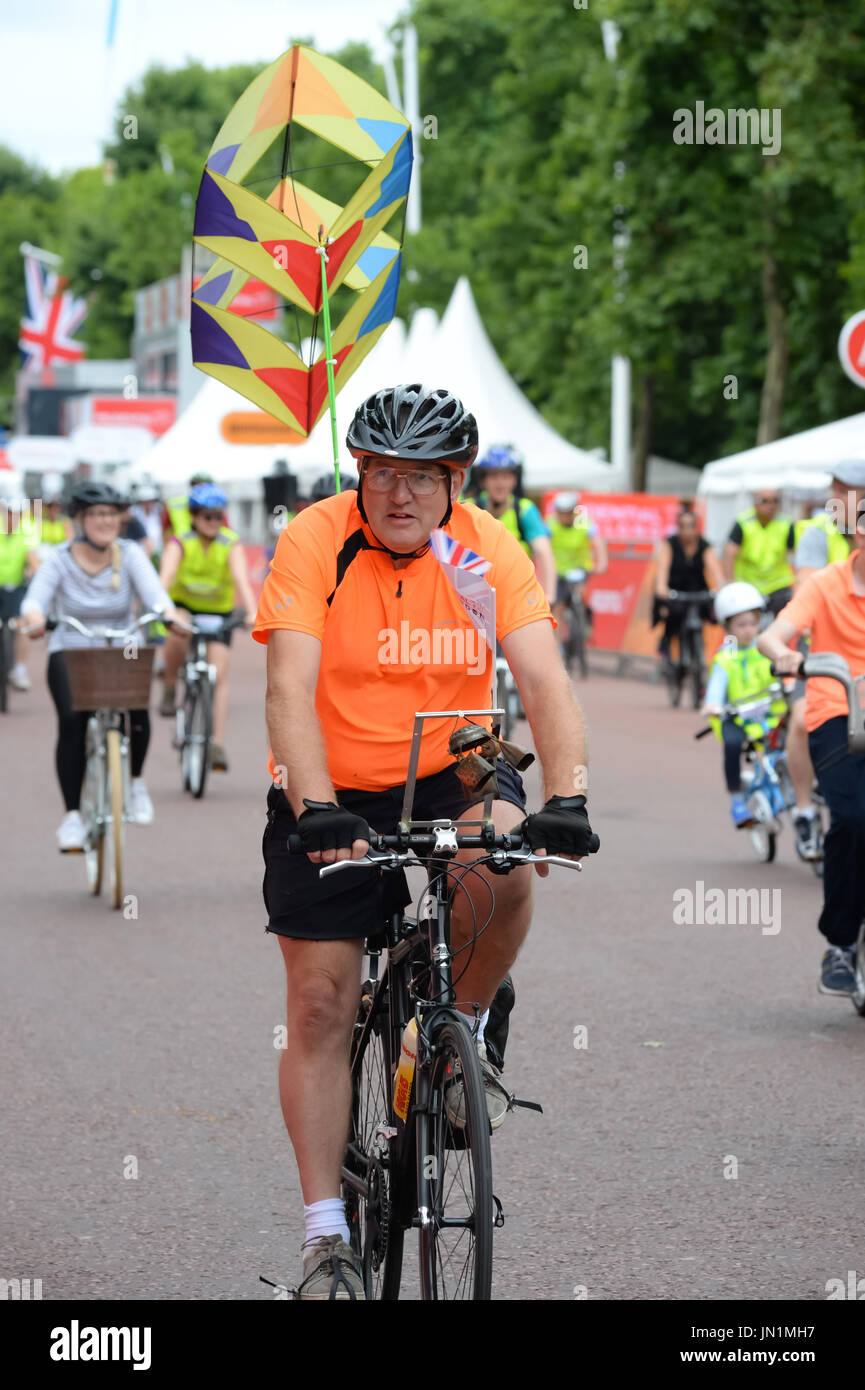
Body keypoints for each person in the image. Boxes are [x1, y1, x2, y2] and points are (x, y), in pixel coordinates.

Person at [253, 384, 599, 1299]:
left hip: (452, 760)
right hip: (332, 781)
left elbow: (542, 677)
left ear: (455, 482)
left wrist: (568, 793)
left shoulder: (486, 546)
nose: (396, 493)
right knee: (322, 1003)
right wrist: (315, 806)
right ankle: (325, 1238)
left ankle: (464, 1036)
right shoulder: (315, 539)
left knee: (508, 860)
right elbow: (287, 683)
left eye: (421, 476)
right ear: (357, 473)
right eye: (378, 473)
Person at [18, 482, 178, 850]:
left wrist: (168, 615)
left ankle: (135, 784)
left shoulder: (131, 553)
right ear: (80, 519)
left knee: (137, 709)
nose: (106, 521)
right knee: (72, 723)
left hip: (122, 647)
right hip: (71, 647)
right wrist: (34, 618)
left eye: (111, 514)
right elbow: (35, 600)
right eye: (97, 514)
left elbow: (156, 596)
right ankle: (72, 817)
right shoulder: (58, 558)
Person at [758, 511, 865, 996]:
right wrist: (785, 652)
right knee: (853, 819)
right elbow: (773, 634)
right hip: (839, 709)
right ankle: (840, 943)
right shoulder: (826, 584)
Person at [783, 461, 865, 861]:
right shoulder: (818, 534)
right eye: (834, 489)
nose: (835, 499)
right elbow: (805, 591)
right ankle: (802, 812)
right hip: (824, 659)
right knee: (801, 719)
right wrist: (789, 654)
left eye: (844, 491)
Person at [158, 483, 257, 772]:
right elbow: (166, 577)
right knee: (177, 629)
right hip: (185, 607)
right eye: (206, 517)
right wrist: (161, 606)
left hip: (219, 614)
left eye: (217, 516)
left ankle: (216, 744)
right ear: (193, 516)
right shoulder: (180, 542)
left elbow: (241, 578)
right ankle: (169, 685)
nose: (213, 522)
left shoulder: (230, 542)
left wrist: (251, 611)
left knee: (219, 673)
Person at [701, 582, 787, 828]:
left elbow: (783, 669)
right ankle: (737, 799)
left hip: (769, 712)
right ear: (727, 626)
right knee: (732, 744)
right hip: (737, 716)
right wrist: (714, 705)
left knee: (789, 744)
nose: (749, 630)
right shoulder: (726, 656)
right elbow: (717, 685)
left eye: (753, 623)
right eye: (741, 625)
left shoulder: (766, 646)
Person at [465, 445, 557, 603]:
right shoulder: (468, 508)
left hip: (517, 594)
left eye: (506, 477)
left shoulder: (524, 509)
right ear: (483, 481)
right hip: (475, 594)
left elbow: (544, 551)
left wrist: (550, 595)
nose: (500, 483)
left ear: (514, 480)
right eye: (494, 477)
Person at [654, 506, 724, 666]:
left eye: (691, 526)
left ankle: (699, 658)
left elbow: (714, 568)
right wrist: (661, 586)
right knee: (673, 615)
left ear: (696, 527)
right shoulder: (669, 544)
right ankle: (665, 641)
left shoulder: (704, 545)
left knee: (711, 613)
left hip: (698, 591)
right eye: (683, 526)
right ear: (678, 527)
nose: (687, 531)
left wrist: (721, 585)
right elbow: (663, 568)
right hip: (675, 591)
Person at [722, 487, 795, 615]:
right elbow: (729, 553)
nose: (771, 505)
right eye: (765, 501)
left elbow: (796, 554)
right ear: (755, 503)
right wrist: (730, 585)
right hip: (748, 586)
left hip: (778, 586)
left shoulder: (786, 523)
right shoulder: (743, 522)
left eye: (775, 501)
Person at [549, 492, 607, 645]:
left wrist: (601, 562)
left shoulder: (584, 523)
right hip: (559, 571)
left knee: (581, 594)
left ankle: (585, 618)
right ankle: (558, 645)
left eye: (568, 513)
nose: (564, 517)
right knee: (558, 606)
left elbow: (598, 543)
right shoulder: (550, 524)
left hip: (580, 568)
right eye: (561, 513)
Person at [0, 492, 41, 692]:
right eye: (8, 512)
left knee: (23, 624)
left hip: (16, 586)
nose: (12, 518)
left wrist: (36, 574)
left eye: (16, 513)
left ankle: (20, 669)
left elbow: (34, 560)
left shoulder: (28, 530)